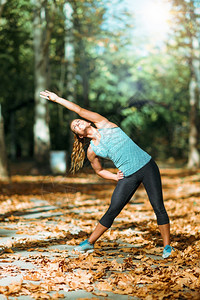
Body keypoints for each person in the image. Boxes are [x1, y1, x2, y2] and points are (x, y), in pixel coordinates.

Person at [40, 90, 174, 259]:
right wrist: (114, 177)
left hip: (147, 166)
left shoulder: (104, 123)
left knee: (158, 206)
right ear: (79, 135)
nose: (79, 122)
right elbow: (99, 170)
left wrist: (57, 99)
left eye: (79, 121)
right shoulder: (92, 150)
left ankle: (167, 247)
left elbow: (79, 110)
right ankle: (89, 243)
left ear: (87, 121)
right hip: (128, 175)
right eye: (75, 126)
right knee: (113, 209)